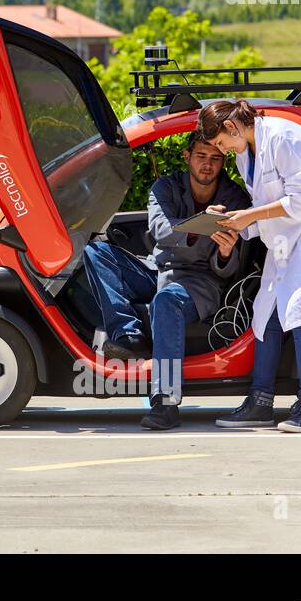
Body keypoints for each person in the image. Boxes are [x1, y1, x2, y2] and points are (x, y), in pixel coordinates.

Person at [200, 99, 301, 433]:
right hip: (289, 235)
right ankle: (260, 401)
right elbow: (265, 207)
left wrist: (248, 218)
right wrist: (231, 223)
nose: (222, 151)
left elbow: (300, 201)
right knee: (266, 311)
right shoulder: (246, 152)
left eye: (221, 144)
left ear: (232, 127)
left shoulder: (285, 136)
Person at [81, 132, 252, 430]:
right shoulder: (165, 187)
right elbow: (161, 231)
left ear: (224, 161)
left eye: (215, 158)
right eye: (201, 156)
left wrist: (225, 252)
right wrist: (202, 221)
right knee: (96, 251)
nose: (207, 165)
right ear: (187, 157)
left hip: (201, 280)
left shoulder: (233, 196)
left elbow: (230, 269)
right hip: (159, 269)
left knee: (167, 299)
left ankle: (166, 401)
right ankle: (127, 335)